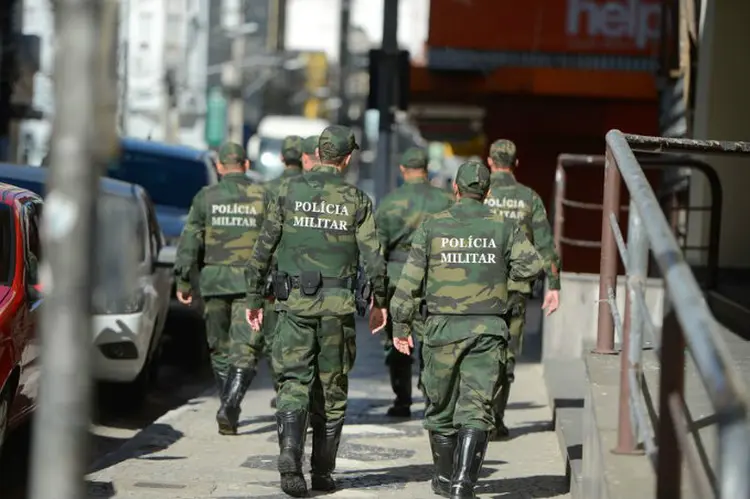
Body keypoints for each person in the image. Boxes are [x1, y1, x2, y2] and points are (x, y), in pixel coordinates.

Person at [245, 125, 388, 497]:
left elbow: (262, 250)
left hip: (293, 306)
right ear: (347, 157)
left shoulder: (287, 192)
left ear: (319, 153)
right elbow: (374, 258)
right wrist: (380, 304)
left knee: (293, 382)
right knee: (332, 390)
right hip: (336, 312)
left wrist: (252, 299)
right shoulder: (357, 199)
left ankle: (290, 452)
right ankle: (322, 473)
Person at [389, 160, 544, 499]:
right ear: (487, 193)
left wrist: (400, 325)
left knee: (440, 407)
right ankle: (463, 484)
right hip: (488, 328)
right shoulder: (504, 226)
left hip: (441, 327)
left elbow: (409, 282)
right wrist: (501, 281)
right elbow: (531, 265)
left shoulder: (432, 226)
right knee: (476, 407)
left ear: (455, 190)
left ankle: (445, 481)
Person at [174, 142, 267, 436]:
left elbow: (190, 240)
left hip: (214, 281)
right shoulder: (264, 196)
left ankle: (228, 404)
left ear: (219, 167)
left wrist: (184, 280)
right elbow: (274, 242)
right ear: (247, 165)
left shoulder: (206, 197)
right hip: (251, 284)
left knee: (219, 347)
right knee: (247, 347)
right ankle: (231, 404)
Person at [484, 139, 562, 439]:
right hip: (515, 288)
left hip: (477, 284)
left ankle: (472, 415)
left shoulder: (478, 192)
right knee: (506, 354)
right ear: (516, 164)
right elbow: (545, 244)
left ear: (490, 161)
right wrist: (553, 286)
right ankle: (495, 418)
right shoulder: (529, 198)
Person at [374, 147, 454, 418]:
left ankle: (403, 400)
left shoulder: (389, 203)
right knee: (433, 341)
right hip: (436, 279)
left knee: (398, 342)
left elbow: (377, 252)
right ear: (426, 168)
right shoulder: (446, 201)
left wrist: (379, 297)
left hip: (399, 279)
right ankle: (432, 396)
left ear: (402, 170)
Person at [263, 135, 305, 409]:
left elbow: (262, 236)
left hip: (274, 273)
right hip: (303, 272)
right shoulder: (309, 189)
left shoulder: (268, 189)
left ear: (281, 158)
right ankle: (297, 388)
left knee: (275, 334)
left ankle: (283, 386)